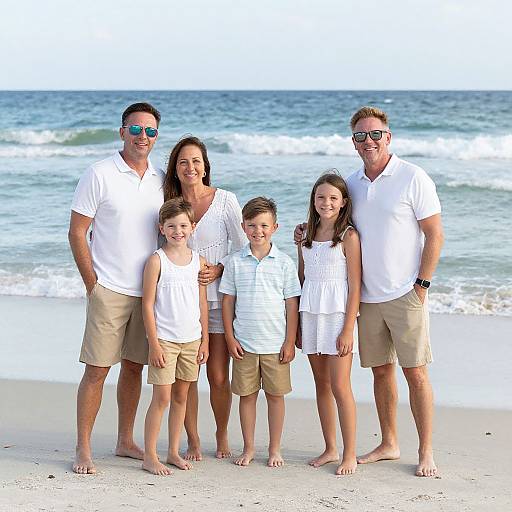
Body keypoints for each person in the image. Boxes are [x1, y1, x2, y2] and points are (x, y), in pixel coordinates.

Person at [68, 102, 164, 474]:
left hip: (148, 292)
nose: (143, 136)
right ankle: (84, 448)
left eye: (151, 131)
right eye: (136, 129)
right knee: (97, 370)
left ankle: (125, 440)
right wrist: (93, 284)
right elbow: (78, 232)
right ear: (122, 131)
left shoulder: (160, 177)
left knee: (134, 368)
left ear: (157, 136)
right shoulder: (99, 173)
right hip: (108, 288)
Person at [162, 136, 246, 460]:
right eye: (183, 162)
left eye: (196, 161)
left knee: (217, 375)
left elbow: (243, 249)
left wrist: (220, 268)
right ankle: (193, 440)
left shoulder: (225, 200)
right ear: (176, 168)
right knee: (186, 376)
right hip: (181, 304)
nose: (190, 167)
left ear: (205, 166)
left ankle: (222, 435)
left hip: (218, 301)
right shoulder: (170, 203)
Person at [220, 197, 301, 467]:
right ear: (243, 226)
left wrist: (290, 341)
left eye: (264, 225)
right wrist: (230, 338)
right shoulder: (234, 262)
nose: (258, 231)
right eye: (252, 225)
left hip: (275, 345)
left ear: (275, 227)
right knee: (247, 397)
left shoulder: (285, 263)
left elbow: (292, 304)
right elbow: (228, 301)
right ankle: (249, 447)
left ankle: (275, 449)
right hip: (244, 344)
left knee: (276, 398)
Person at [297, 172, 361, 476]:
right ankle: (330, 448)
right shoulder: (305, 235)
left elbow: (355, 286)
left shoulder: (348, 236)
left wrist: (348, 328)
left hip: (337, 317)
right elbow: (301, 278)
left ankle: (349, 453)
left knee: (340, 386)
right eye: (321, 197)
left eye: (333, 198)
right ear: (314, 200)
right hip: (310, 313)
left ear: (343, 202)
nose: (327, 202)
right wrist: (295, 323)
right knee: (320, 384)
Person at [141, 198, 209, 475]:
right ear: (162, 228)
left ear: (192, 227)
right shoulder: (156, 261)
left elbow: (202, 303)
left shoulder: (199, 262)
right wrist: (154, 344)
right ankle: (149, 455)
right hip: (165, 341)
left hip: (191, 340)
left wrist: (204, 340)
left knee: (182, 396)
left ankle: (172, 452)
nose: (178, 231)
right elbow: (147, 304)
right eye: (171, 226)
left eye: (183, 225)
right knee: (162, 399)